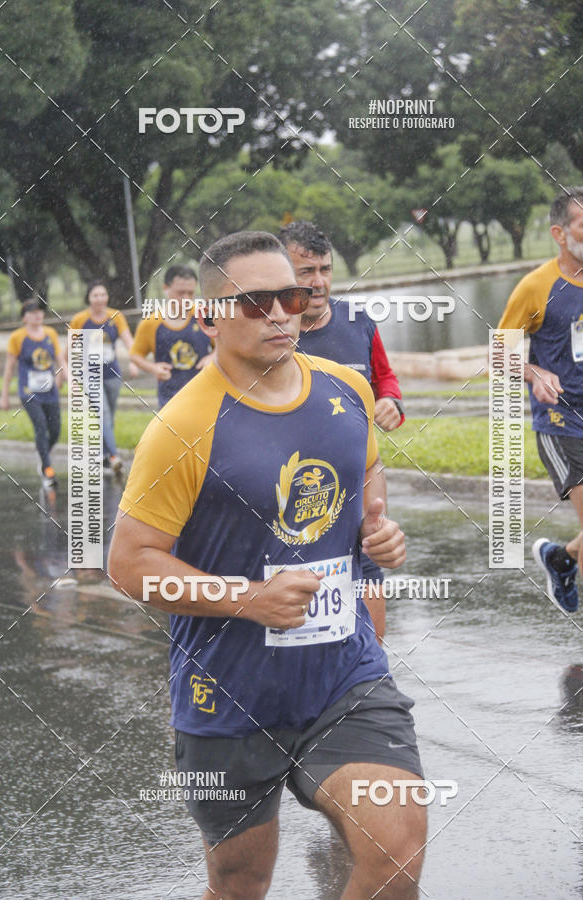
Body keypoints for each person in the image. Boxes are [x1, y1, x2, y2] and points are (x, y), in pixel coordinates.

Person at [109, 231, 426, 899]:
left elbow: (366, 475)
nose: (281, 313)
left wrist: (379, 532)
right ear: (208, 317)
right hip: (227, 696)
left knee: (396, 851)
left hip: (344, 676)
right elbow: (130, 565)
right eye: (254, 303)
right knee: (239, 884)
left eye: (292, 295)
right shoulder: (183, 426)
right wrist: (249, 598)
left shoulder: (345, 389)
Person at [279, 220, 405, 642]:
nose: (319, 283)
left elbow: (385, 379)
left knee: (372, 644)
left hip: (358, 500)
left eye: (325, 270)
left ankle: (368, 693)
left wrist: (391, 402)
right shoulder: (271, 336)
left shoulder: (359, 323)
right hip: (291, 506)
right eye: (305, 272)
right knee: (302, 642)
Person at [498, 186, 583, 656]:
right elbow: (500, 351)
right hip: (564, 421)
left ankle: (562, 558)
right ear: (560, 234)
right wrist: (533, 371)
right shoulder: (537, 287)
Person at [70, 280, 136, 474]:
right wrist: (73, 377)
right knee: (104, 414)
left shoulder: (116, 316)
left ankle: (102, 454)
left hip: (112, 373)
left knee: (108, 416)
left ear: (107, 297)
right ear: (89, 298)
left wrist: (134, 361)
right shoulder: (79, 320)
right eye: (95, 295)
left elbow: (128, 341)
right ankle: (114, 456)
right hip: (89, 374)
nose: (100, 299)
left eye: (103, 295)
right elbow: (72, 350)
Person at [0, 298, 68, 488]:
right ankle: (47, 470)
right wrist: (4, 394)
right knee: (40, 426)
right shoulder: (17, 338)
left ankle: (42, 452)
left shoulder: (51, 333)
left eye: (40, 312)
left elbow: (60, 361)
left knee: (55, 431)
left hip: (50, 391)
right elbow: (9, 368)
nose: (38, 315)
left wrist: (69, 379)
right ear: (24, 318)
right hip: (29, 392)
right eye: (33, 312)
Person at [130, 264, 212, 408]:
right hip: (169, 399)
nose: (186, 298)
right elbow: (135, 355)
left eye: (191, 293)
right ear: (166, 289)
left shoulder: (205, 316)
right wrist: (152, 368)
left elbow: (226, 346)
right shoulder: (150, 323)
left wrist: (212, 357)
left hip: (205, 393)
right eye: (180, 293)